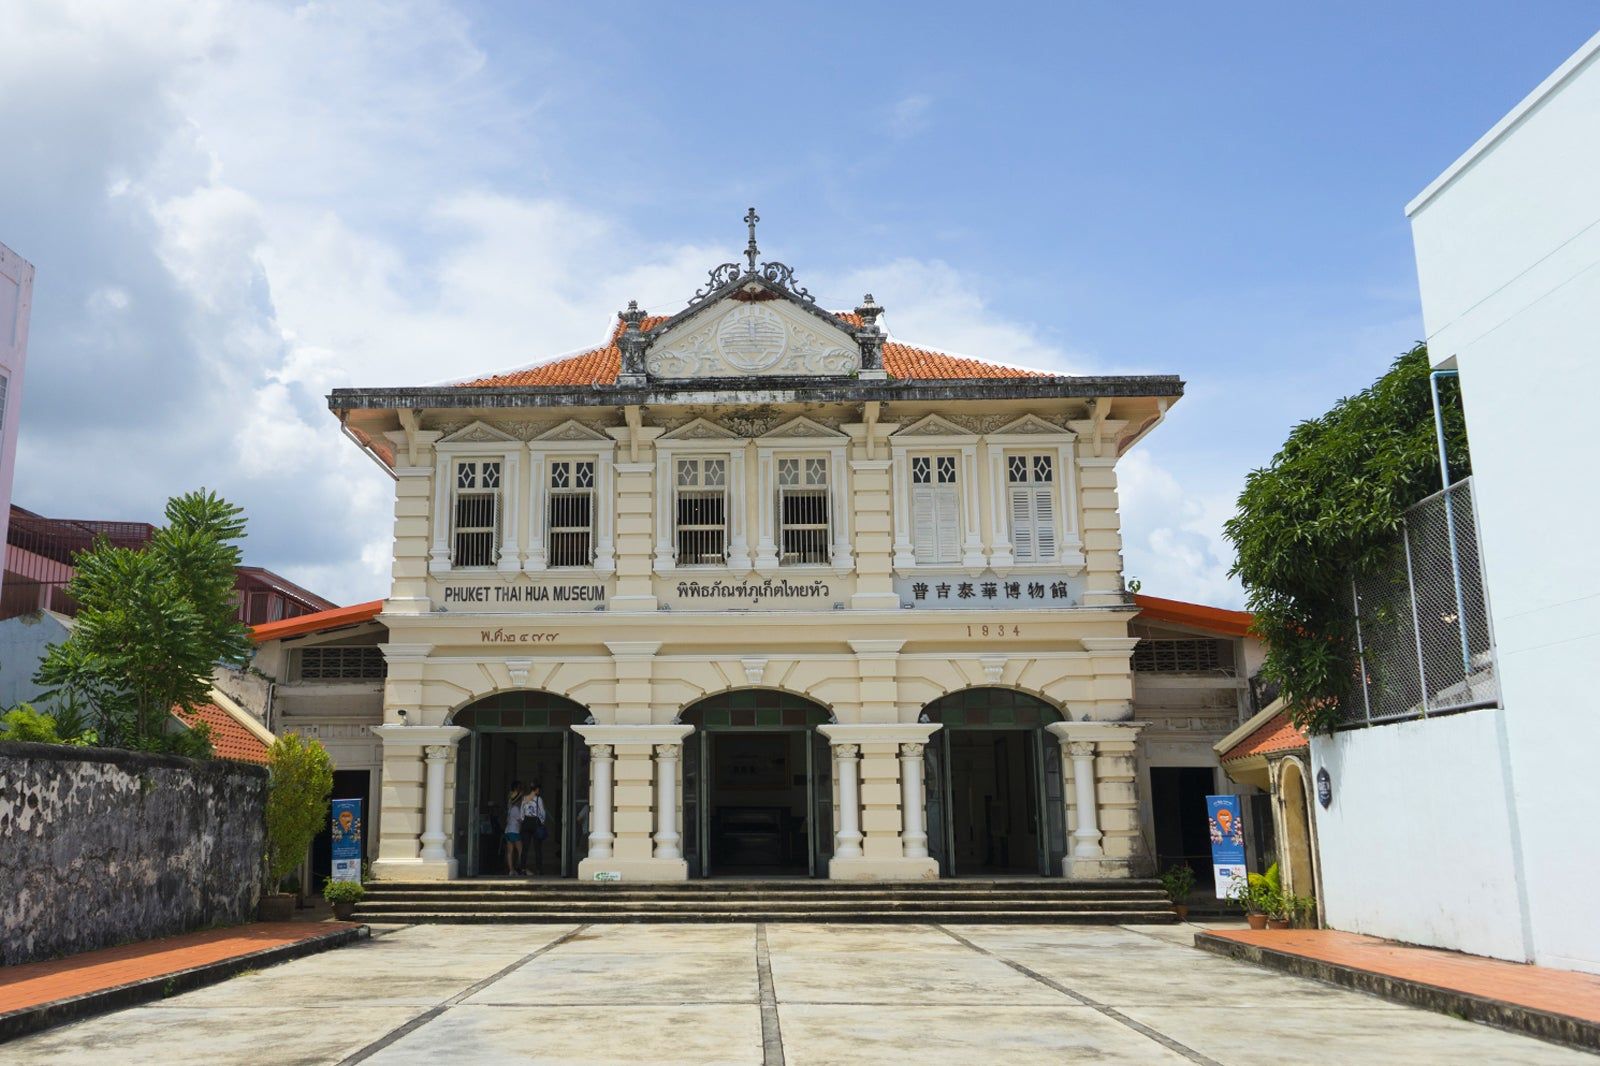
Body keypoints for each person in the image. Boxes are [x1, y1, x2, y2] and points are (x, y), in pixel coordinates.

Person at [521, 783, 549, 876]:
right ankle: (539, 869)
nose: (539, 791)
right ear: (536, 789)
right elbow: (542, 812)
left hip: (526, 822)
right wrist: (542, 822)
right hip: (535, 823)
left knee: (525, 847)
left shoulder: (525, 798)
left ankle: (523, 868)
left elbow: (522, 812)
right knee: (537, 848)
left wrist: (523, 820)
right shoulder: (538, 799)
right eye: (538, 789)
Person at [503, 780, 526, 876]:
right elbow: (521, 820)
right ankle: (521, 868)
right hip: (515, 831)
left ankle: (511, 870)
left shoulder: (510, 808)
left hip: (508, 831)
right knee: (521, 851)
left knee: (510, 852)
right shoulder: (516, 809)